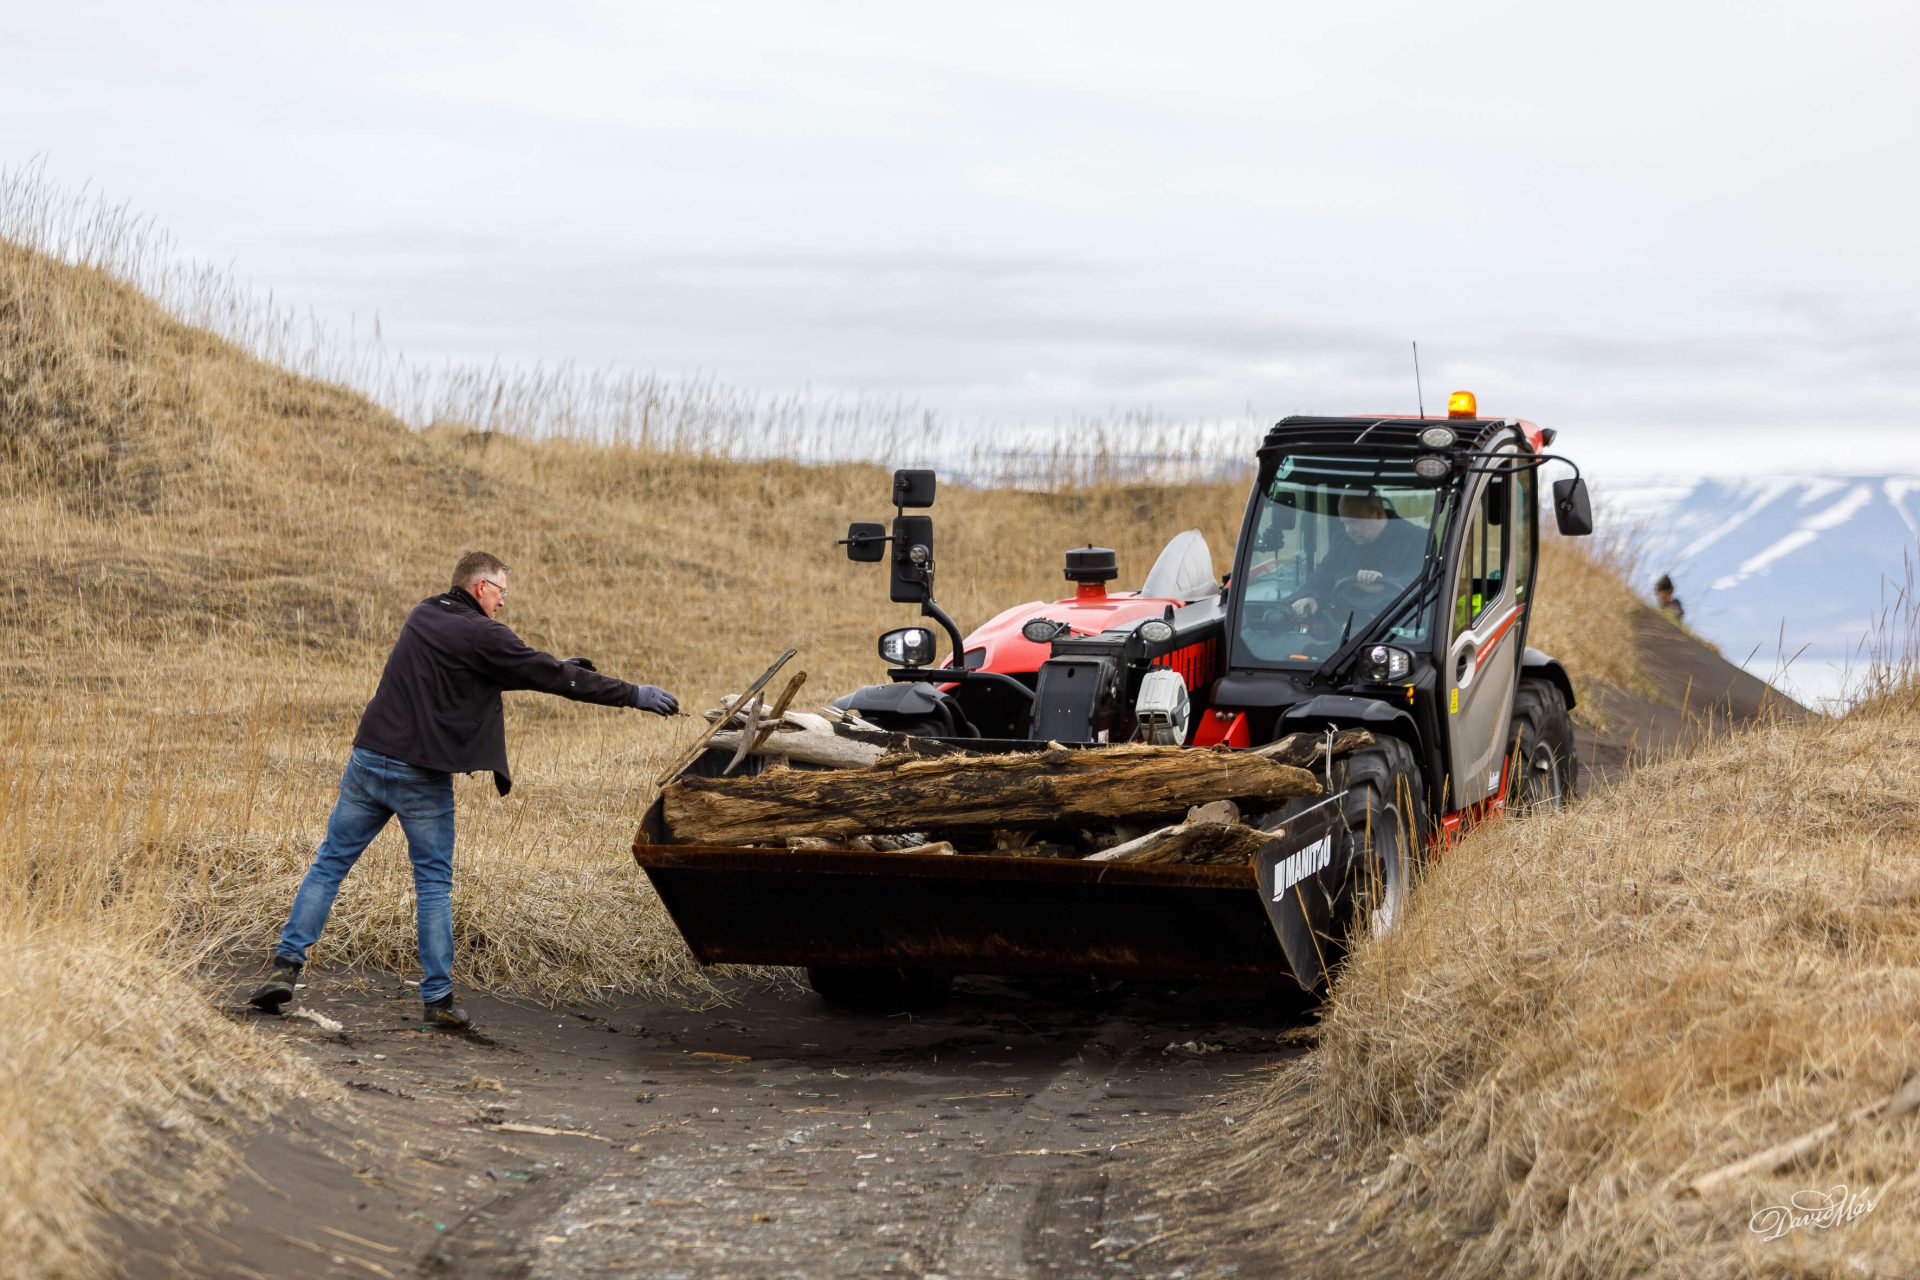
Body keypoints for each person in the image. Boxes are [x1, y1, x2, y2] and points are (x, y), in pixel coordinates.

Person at [248, 552, 679, 1029]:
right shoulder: (485, 633)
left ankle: (285, 967)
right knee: (433, 884)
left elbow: (475, 671)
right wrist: (633, 694)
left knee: (330, 863)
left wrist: (545, 664)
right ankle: (438, 1000)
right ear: (480, 588)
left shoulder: (424, 613)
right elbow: (551, 678)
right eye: (501, 592)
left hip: (369, 759)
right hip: (421, 775)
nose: (503, 602)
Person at [1290, 490, 1426, 624]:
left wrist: (1384, 586)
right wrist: (1311, 597)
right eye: (1345, 523)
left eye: (1355, 522)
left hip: (1396, 628)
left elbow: (1424, 586)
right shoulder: (1341, 541)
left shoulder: (1416, 540)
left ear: (1378, 514)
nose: (1349, 530)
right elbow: (1321, 577)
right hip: (1344, 629)